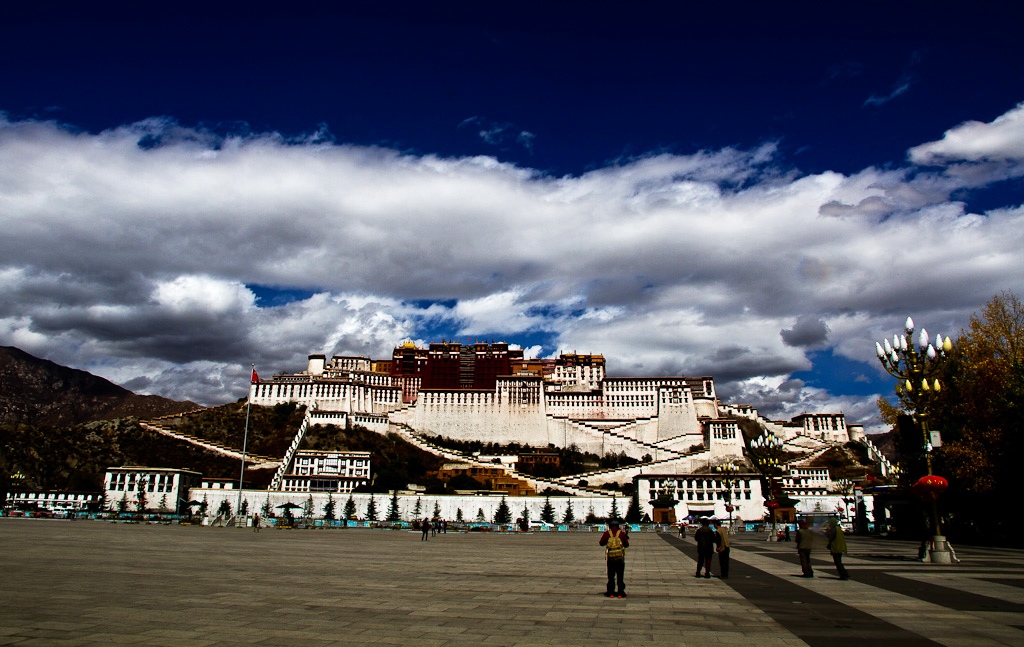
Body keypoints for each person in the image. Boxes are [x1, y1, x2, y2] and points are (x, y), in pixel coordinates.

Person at [599, 519, 629, 598]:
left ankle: (611, 592)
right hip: (620, 558)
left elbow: (601, 543)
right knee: (620, 575)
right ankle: (620, 593)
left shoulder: (607, 533)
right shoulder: (621, 534)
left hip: (611, 558)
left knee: (611, 575)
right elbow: (626, 545)